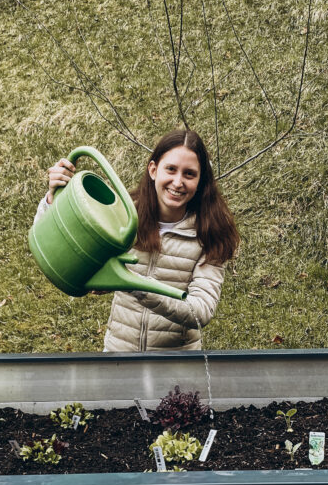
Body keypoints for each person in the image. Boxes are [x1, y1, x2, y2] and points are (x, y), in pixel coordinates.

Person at [37, 129, 240, 351]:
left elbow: (200, 311)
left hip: (177, 364)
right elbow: (60, 248)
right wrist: (53, 198)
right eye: (170, 169)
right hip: (120, 355)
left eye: (189, 174)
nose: (178, 182)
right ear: (153, 170)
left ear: (200, 181)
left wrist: (135, 286)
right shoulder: (123, 214)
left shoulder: (212, 233)